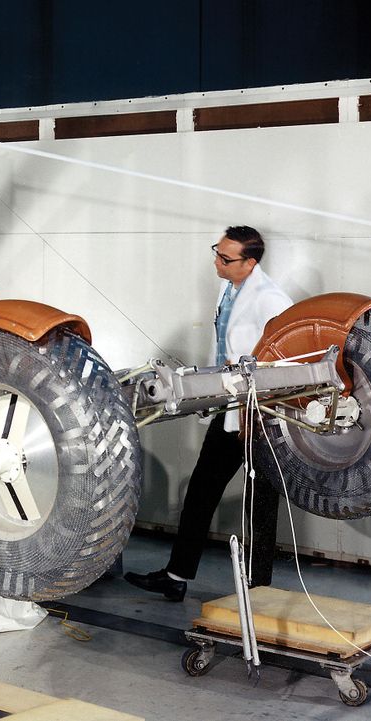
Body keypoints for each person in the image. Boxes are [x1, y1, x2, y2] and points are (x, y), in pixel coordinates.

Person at [125, 225, 294, 602]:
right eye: (217, 252)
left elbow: (288, 354)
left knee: (260, 500)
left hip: (258, 415)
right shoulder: (228, 288)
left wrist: (250, 365)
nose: (216, 261)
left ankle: (258, 590)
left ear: (250, 263)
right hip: (228, 405)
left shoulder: (272, 299)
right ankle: (176, 575)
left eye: (225, 257)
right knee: (202, 490)